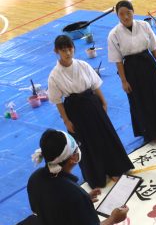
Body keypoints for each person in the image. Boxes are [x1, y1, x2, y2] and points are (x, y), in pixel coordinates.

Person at [48, 35, 133, 189]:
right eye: (64, 50)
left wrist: (104, 102)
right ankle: (97, 176)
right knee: (86, 143)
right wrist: (66, 120)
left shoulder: (82, 65)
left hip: (92, 103)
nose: (68, 53)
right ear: (57, 51)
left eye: (70, 49)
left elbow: (95, 85)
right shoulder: (54, 75)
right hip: (74, 110)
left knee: (105, 135)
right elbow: (57, 100)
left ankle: (116, 168)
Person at [107, 0, 156, 143]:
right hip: (131, 69)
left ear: (133, 12)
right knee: (140, 101)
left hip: (148, 64)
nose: (125, 17)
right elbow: (118, 60)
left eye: (128, 13)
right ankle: (151, 133)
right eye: (121, 14)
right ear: (117, 16)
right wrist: (124, 81)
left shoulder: (144, 25)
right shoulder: (114, 34)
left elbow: (154, 48)